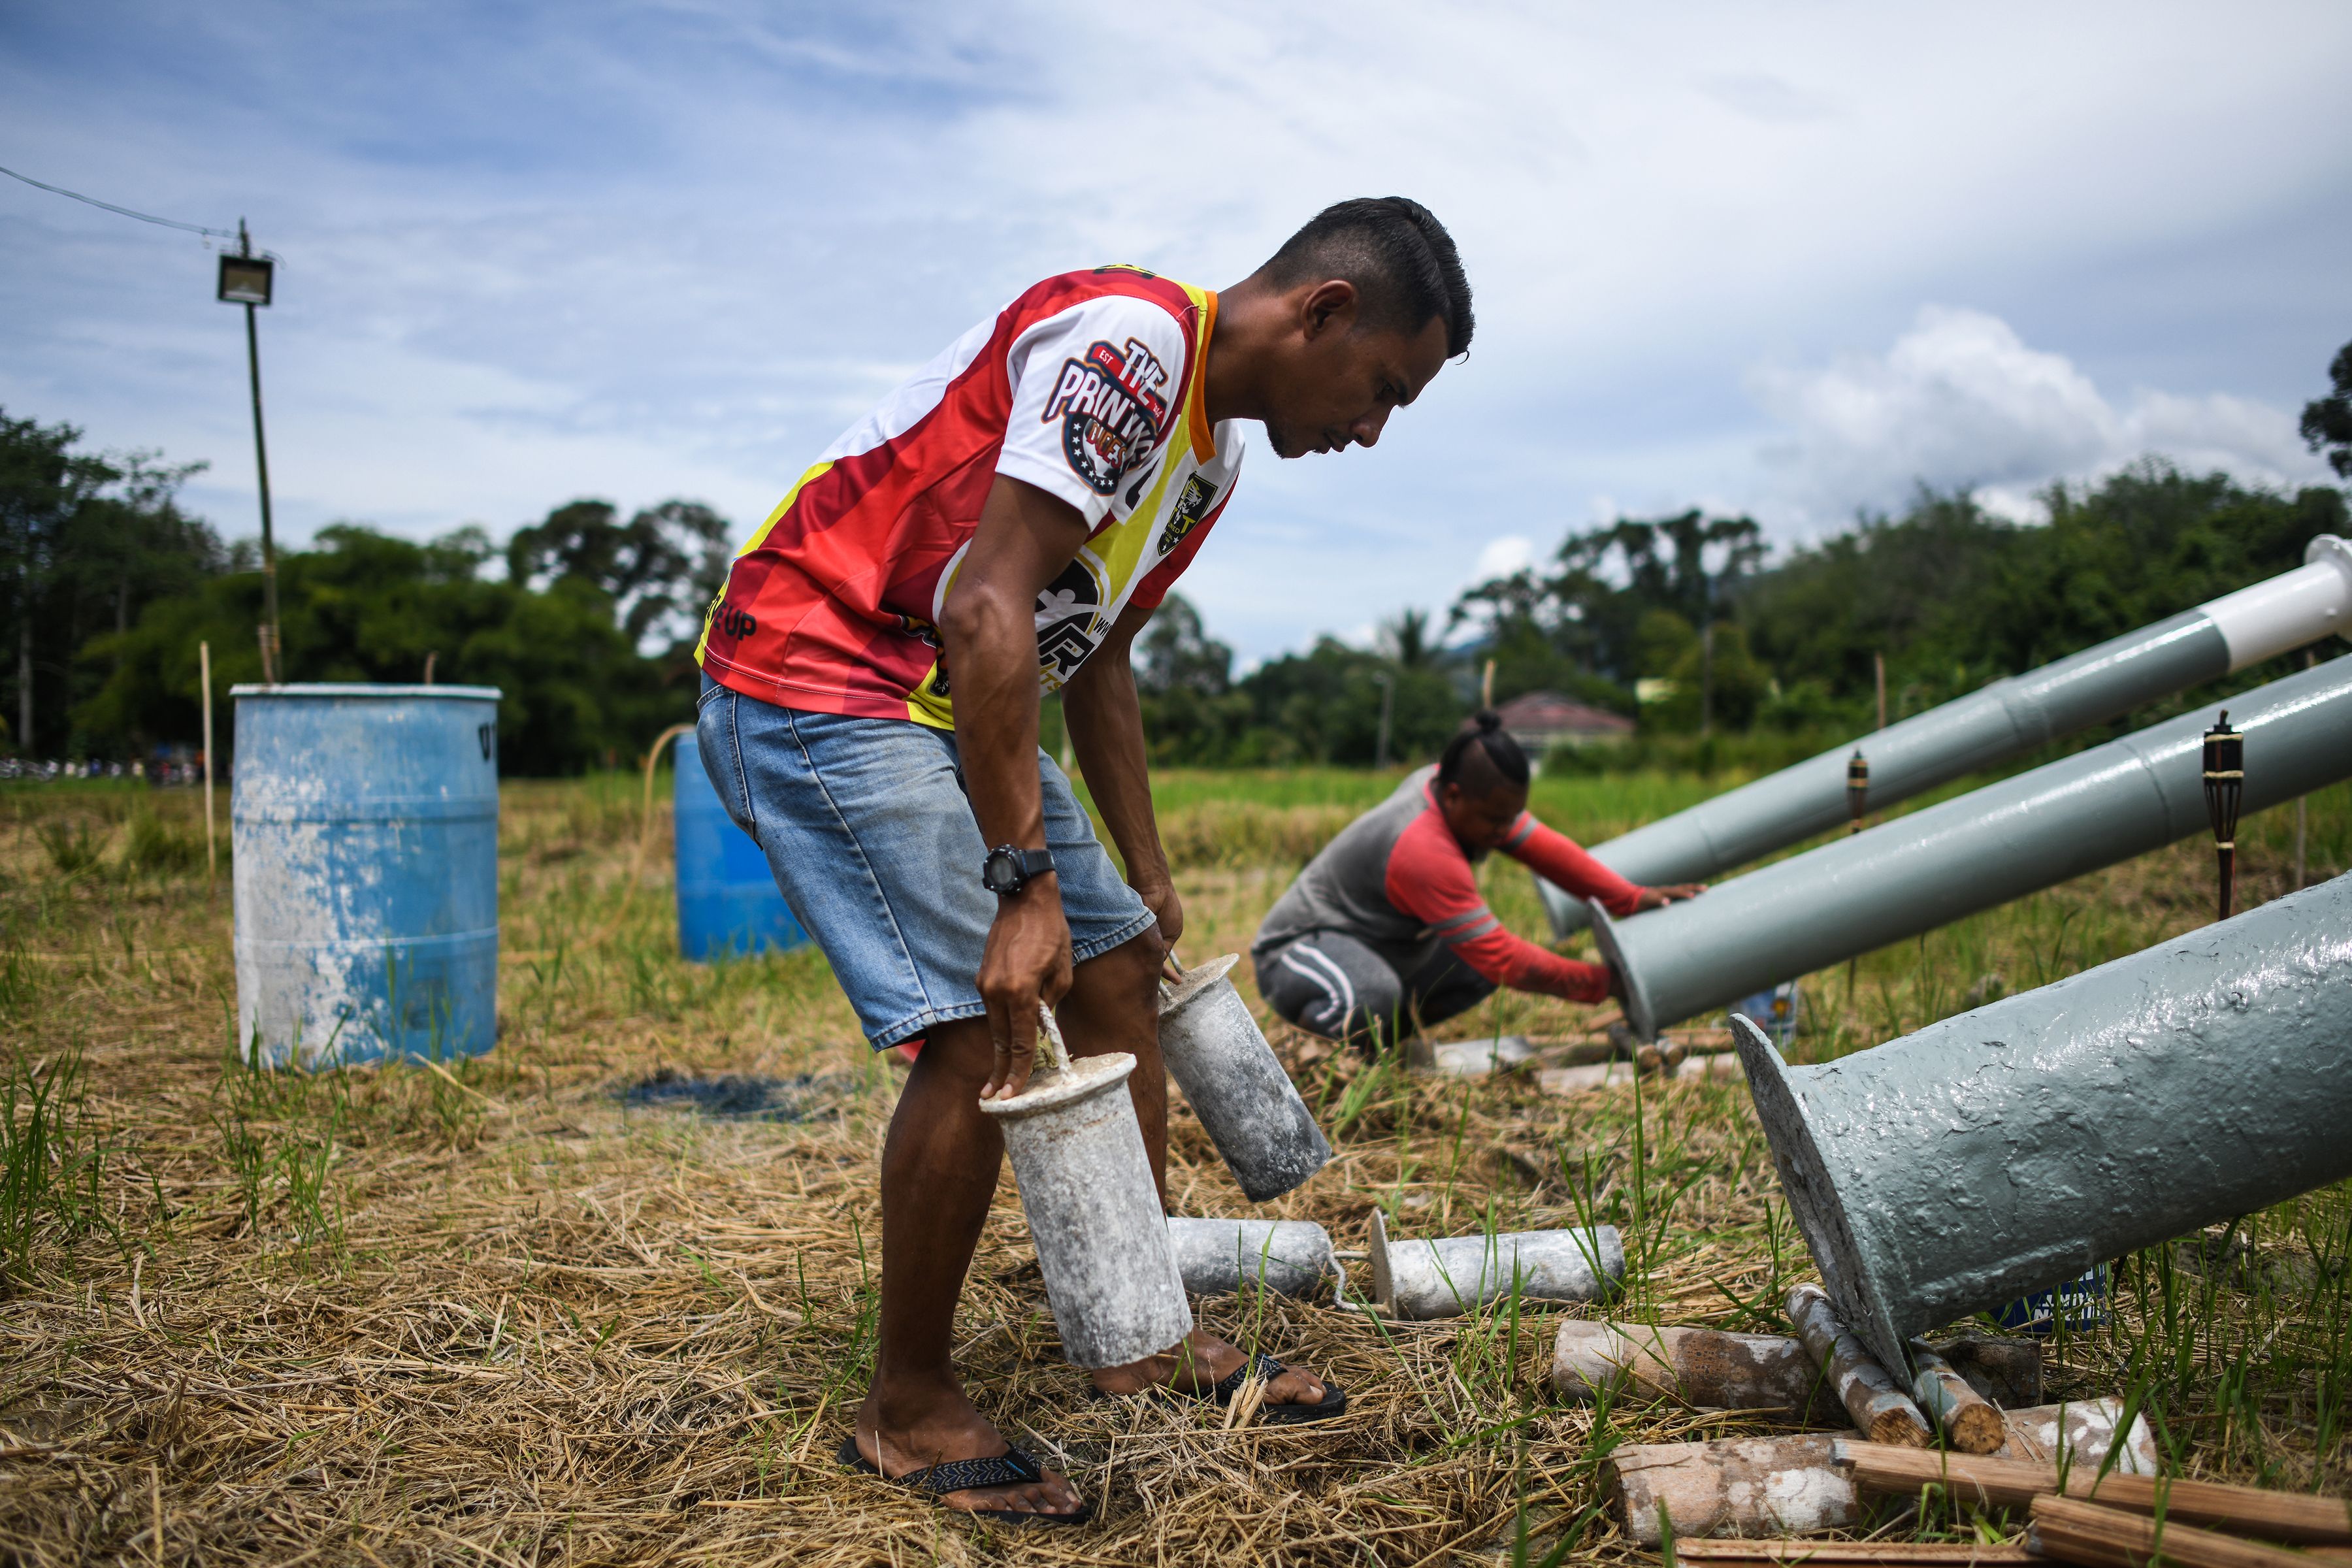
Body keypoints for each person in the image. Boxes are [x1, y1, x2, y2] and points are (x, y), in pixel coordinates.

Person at [693, 199, 1475, 1524]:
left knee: (1115, 964)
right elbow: (984, 601)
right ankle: (906, 1408)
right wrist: (1021, 885)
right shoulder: (1130, 352)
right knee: (976, 1018)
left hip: (948, 695)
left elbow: (1091, 650)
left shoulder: (1211, 460)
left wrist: (1142, 872)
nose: (1372, 428)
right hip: (823, 672)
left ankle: (1137, 1331)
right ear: (1324, 312)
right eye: (1384, 389)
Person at [1253, 712, 1701, 1051]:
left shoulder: (1455, 789)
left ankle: (1380, 1051)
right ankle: (1311, 1073)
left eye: (1511, 819)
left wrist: (1630, 898)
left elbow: (1550, 852)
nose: (1504, 833)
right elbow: (1504, 958)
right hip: (1298, 950)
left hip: (1377, 948)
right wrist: (1604, 983)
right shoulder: (1423, 849)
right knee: (1373, 994)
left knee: (1468, 972)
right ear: (1453, 796)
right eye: (1494, 821)